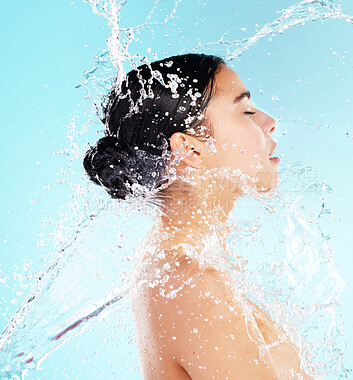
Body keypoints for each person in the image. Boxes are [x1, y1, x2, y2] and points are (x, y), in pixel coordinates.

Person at [83, 54, 310, 379]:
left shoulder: (179, 265)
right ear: (191, 150)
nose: (269, 121)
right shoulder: (192, 285)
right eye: (246, 111)